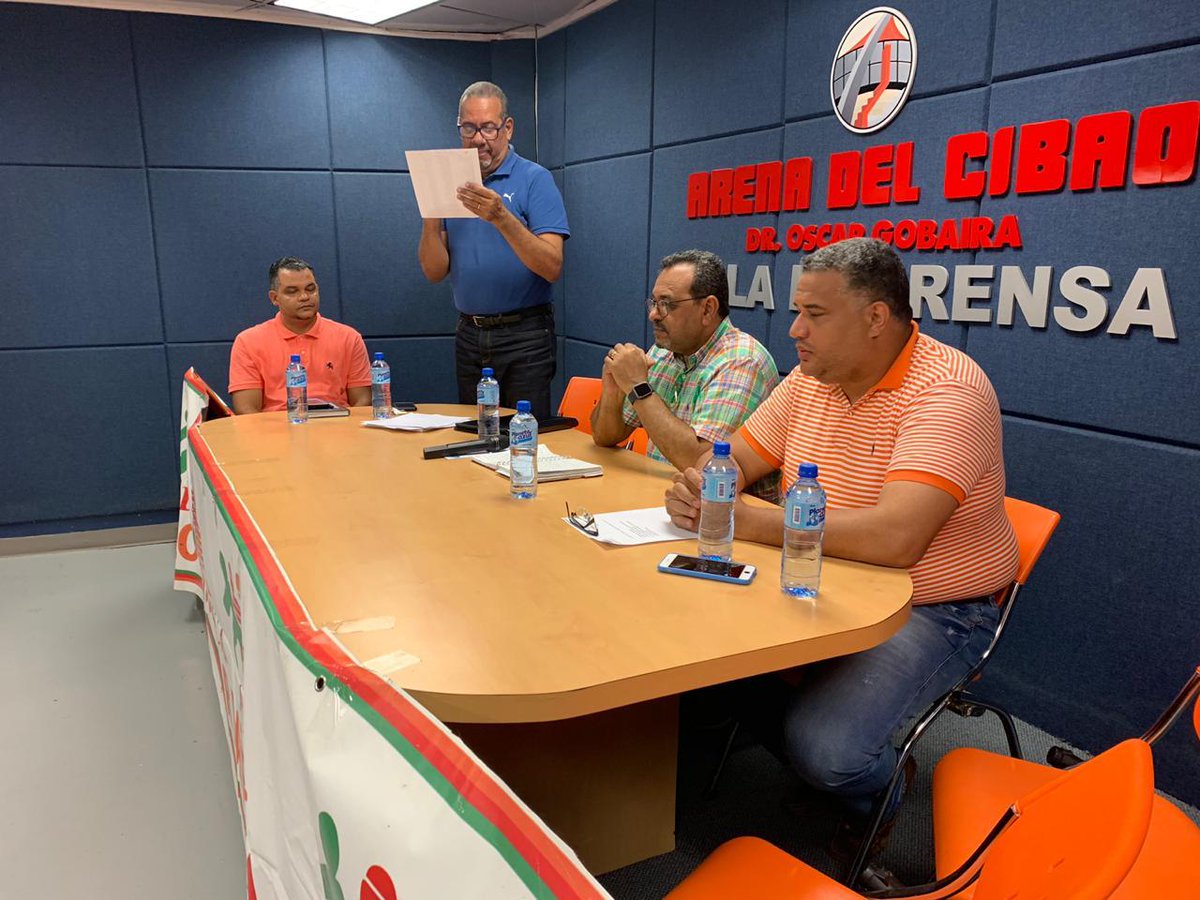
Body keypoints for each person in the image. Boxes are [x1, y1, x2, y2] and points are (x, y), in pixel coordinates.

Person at [664, 238, 1019, 858]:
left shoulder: (948, 391)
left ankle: (875, 794)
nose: (795, 330)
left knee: (827, 750)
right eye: (797, 312)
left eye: (815, 315)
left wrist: (747, 521)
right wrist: (702, 489)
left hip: (934, 606)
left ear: (876, 317)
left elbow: (896, 539)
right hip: (823, 573)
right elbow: (730, 462)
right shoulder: (811, 379)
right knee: (688, 660)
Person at [417, 81, 570, 420]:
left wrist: (501, 217)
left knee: (523, 434)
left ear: (507, 128)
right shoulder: (451, 180)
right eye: (469, 128)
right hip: (470, 334)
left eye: (488, 127)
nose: (478, 139)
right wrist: (430, 217)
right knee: (476, 433)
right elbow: (433, 271)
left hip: (525, 335)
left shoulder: (534, 178)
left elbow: (552, 266)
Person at [591, 250, 780, 489]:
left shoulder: (742, 361)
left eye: (666, 304)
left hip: (721, 507)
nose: (653, 315)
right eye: (654, 302)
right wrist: (613, 390)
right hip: (661, 496)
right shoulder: (663, 351)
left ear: (707, 309)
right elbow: (605, 436)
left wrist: (638, 387)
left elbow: (703, 466)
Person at [228, 257, 371, 415]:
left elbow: (363, 402)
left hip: (338, 425)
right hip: (274, 428)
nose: (304, 297)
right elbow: (246, 409)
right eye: (292, 291)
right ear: (274, 298)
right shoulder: (248, 342)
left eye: (310, 289)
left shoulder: (349, 338)